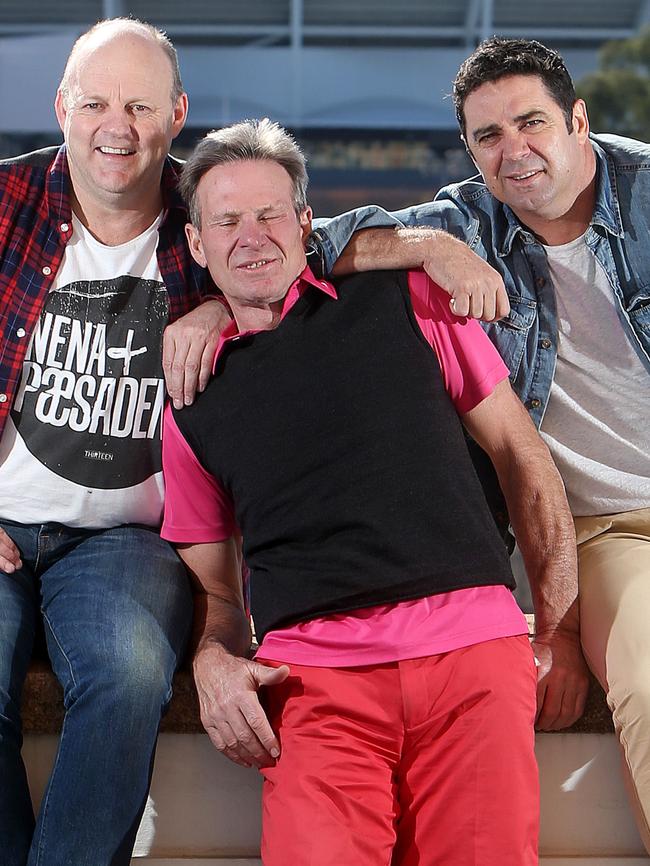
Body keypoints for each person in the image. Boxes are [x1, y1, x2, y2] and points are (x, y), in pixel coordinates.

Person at [161, 117, 582, 866]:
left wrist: (558, 631)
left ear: (305, 224)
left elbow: (521, 455)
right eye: (226, 221)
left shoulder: (409, 297)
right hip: (311, 688)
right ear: (197, 246)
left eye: (269, 215)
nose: (250, 236)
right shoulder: (191, 402)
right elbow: (218, 601)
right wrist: (212, 662)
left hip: (475, 658)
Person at [314, 35, 650, 847]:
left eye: (532, 123)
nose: (514, 152)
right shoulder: (468, 218)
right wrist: (430, 247)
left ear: (579, 121)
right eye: (488, 136)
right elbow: (307, 246)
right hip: (612, 530)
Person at [0, 17, 232, 866]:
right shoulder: (8, 203)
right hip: (4, 521)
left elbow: (307, 247)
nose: (117, 127)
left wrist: (213, 304)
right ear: (62, 106)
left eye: (140, 105)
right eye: (96, 101)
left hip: (132, 541)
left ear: (176, 113)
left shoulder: (212, 220)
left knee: (131, 679)